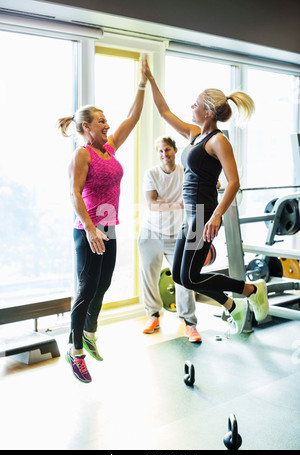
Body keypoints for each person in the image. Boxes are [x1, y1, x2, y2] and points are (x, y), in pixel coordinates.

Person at [142, 57, 269, 336]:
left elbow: (234, 182)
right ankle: (236, 300)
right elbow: (164, 111)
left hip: (203, 214)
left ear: (209, 112)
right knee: (180, 276)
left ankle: (248, 292)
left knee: (189, 276)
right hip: (190, 216)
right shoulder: (195, 135)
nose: (191, 107)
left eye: (196, 104)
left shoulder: (218, 141)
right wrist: (149, 79)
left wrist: (215, 216)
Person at [57, 63, 147, 383]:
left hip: (108, 226)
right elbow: (73, 193)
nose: (107, 124)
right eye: (101, 121)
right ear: (86, 127)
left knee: (103, 283)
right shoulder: (82, 155)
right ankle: (75, 351)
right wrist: (91, 229)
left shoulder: (107, 149)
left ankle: (89, 332)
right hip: (88, 230)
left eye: (106, 119)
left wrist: (141, 85)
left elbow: (131, 119)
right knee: (85, 288)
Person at [138, 136, 201, 343]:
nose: (164, 154)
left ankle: (190, 324)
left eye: (167, 150)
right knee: (149, 276)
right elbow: (151, 204)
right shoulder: (152, 174)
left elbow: (200, 188)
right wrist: (178, 204)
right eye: (160, 151)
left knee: (184, 278)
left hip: (177, 234)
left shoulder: (185, 172)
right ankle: (153, 316)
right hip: (151, 233)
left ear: (175, 150)